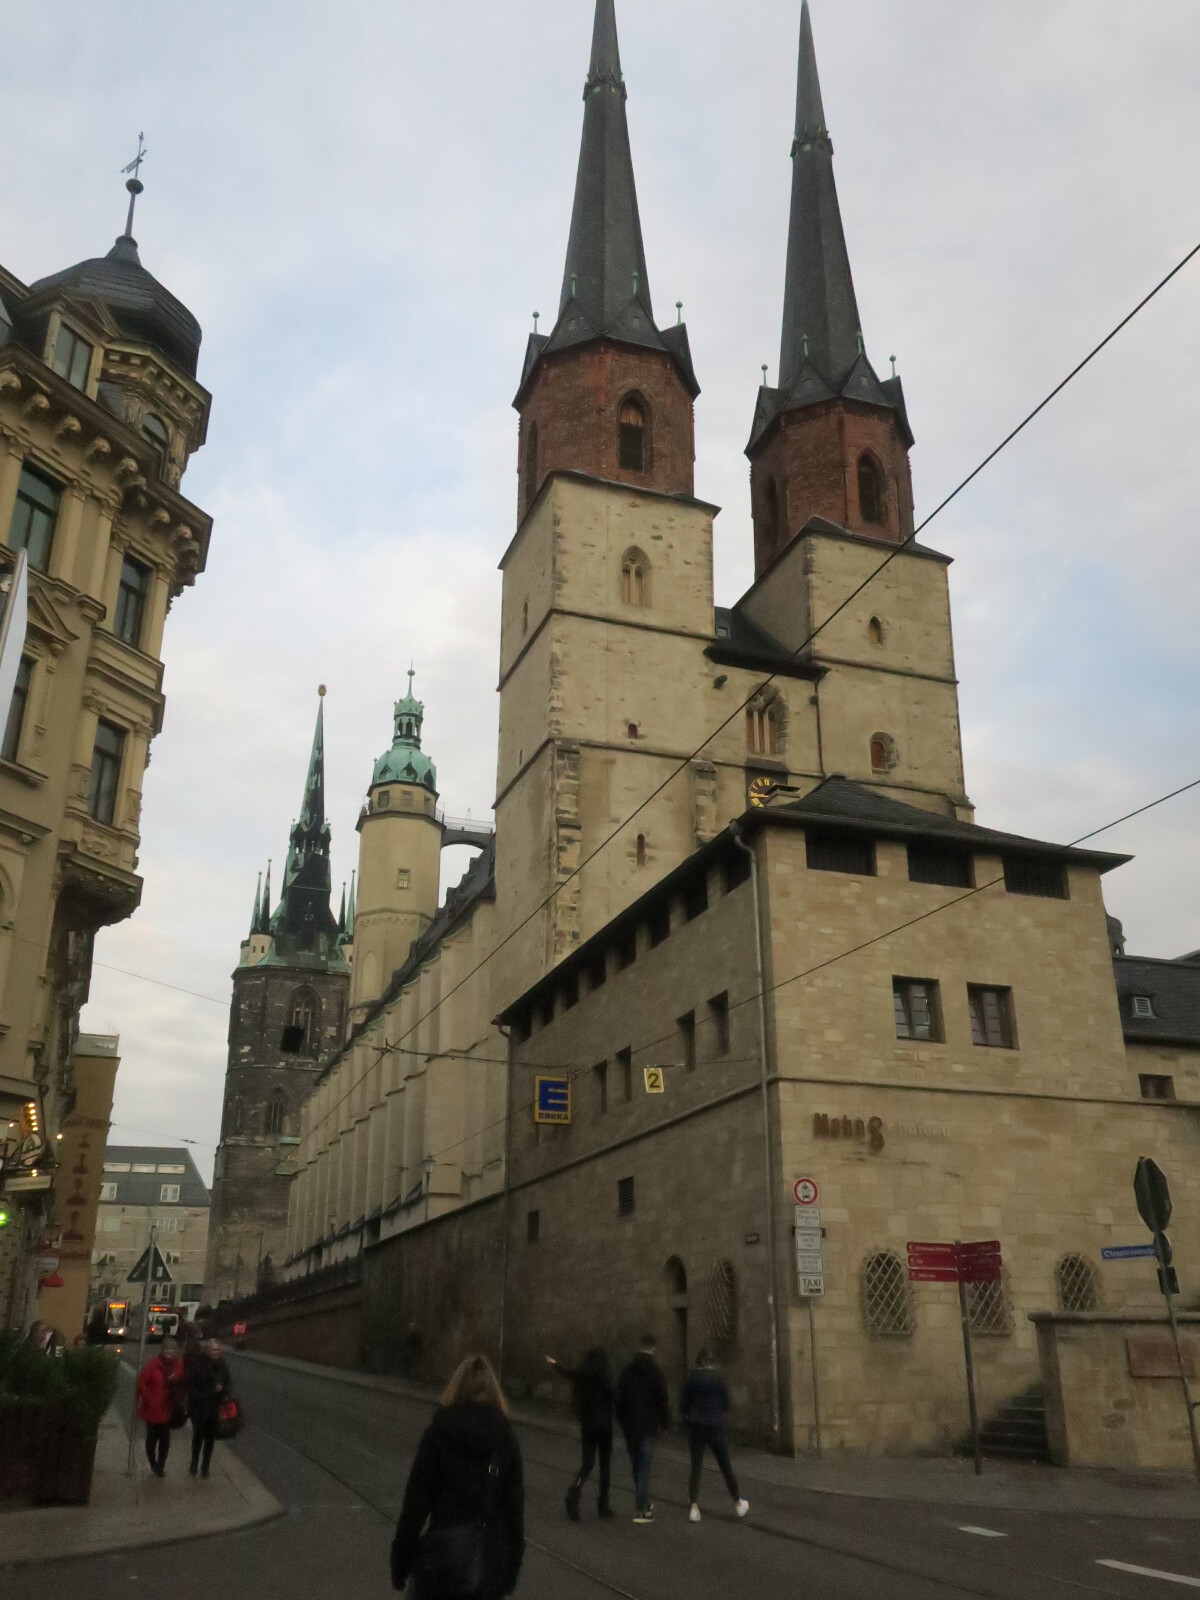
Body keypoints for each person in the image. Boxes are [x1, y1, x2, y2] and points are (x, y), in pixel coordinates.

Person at [391, 1354, 524, 1599]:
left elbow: (415, 1506)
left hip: (442, 1564)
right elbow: (514, 1513)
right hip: (487, 1570)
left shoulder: (438, 1433)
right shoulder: (506, 1439)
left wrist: (400, 1564)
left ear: (456, 1388)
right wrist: (510, 1572)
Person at [546, 1347, 614, 1521]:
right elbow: (615, 1395)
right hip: (605, 1425)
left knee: (587, 1464)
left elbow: (568, 1374)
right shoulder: (606, 1374)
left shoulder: (583, 1372)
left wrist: (554, 1364)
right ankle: (603, 1504)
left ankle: (574, 1493)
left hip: (588, 1424)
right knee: (605, 1466)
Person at [681, 1349, 749, 1523]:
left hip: (697, 1426)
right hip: (715, 1426)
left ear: (698, 1361)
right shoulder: (718, 1379)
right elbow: (726, 1403)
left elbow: (683, 1405)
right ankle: (737, 1502)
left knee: (696, 1467)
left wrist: (688, 1419)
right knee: (725, 1465)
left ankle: (694, 1507)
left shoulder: (691, 1379)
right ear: (711, 1362)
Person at [614, 1334, 669, 1525]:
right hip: (648, 1427)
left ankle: (644, 1501)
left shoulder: (626, 1371)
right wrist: (665, 1424)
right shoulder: (657, 1372)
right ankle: (641, 1510)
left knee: (636, 1465)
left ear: (640, 1346)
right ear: (653, 1348)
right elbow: (663, 1400)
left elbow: (618, 1398)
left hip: (630, 1426)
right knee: (644, 1466)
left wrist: (621, 1420)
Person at [184, 1336, 232, 1479]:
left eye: (217, 1350)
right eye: (213, 1350)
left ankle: (205, 1467)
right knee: (198, 1437)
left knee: (210, 1439)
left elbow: (228, 1383)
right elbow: (192, 1385)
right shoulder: (199, 1364)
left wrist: (222, 1390)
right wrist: (208, 1392)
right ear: (207, 1350)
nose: (216, 1353)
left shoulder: (222, 1365)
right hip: (199, 1407)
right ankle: (194, 1463)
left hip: (214, 1408)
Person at [136, 1339, 183, 1478]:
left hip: (167, 1409)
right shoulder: (153, 1365)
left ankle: (160, 1466)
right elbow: (141, 1383)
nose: (169, 1352)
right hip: (152, 1409)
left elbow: (182, 1381)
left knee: (165, 1441)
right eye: (167, 1349)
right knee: (151, 1440)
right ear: (162, 1350)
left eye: (172, 1350)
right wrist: (148, 1398)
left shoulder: (177, 1366)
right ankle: (153, 1463)